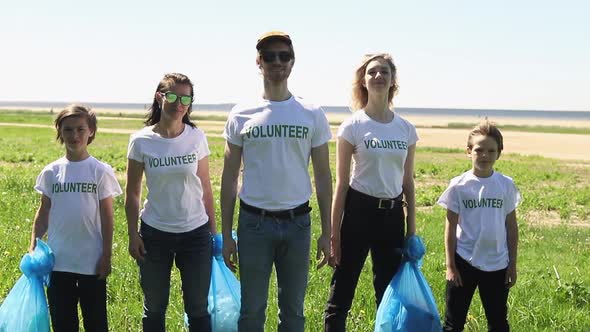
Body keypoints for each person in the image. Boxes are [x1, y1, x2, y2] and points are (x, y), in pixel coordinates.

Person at [220, 31, 333, 332]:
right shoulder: (241, 114)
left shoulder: (311, 114)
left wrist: (328, 231)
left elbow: (323, 177)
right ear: (258, 62)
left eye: (284, 55)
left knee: (293, 313)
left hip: (298, 225)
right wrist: (226, 234)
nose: (277, 61)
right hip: (253, 224)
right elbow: (229, 177)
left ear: (293, 62)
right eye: (269, 56)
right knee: (252, 312)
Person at [323, 53, 418, 331]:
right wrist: (334, 234)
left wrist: (411, 231)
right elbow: (341, 183)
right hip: (358, 212)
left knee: (389, 295)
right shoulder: (353, 125)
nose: (378, 76)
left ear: (393, 81)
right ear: (363, 81)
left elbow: (408, 183)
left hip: (392, 217)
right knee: (342, 290)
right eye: (372, 72)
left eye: (384, 72)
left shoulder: (406, 129)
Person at [125, 73, 216, 332]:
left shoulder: (196, 137)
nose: (179, 104)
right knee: (154, 307)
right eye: (173, 96)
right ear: (159, 97)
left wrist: (213, 233)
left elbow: (206, 188)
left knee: (198, 308)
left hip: (195, 234)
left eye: (186, 98)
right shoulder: (141, 140)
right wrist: (133, 234)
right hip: (155, 234)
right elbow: (132, 193)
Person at [30, 104, 122, 332]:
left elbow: (108, 217)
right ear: (60, 132)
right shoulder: (52, 172)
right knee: (63, 323)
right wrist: (33, 248)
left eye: (80, 129)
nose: (74, 135)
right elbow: (43, 213)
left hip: (92, 263)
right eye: (68, 129)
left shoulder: (100, 171)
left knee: (96, 323)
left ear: (91, 131)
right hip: (58, 263)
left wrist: (106, 256)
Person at [437, 120, 520, 332]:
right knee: (453, 323)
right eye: (479, 149)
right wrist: (450, 265)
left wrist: (512, 264)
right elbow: (450, 226)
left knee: (498, 323)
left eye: (491, 150)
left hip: (497, 263)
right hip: (463, 262)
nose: (485, 155)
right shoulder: (458, 185)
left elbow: (511, 226)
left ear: (499, 153)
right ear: (469, 151)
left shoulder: (506, 185)